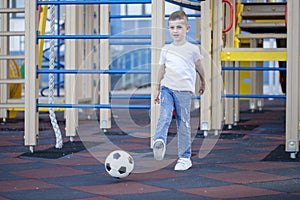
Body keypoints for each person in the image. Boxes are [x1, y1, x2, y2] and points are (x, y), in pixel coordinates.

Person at [153, 10, 206, 171]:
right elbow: (161, 69)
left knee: (183, 123)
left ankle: (184, 157)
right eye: (172, 27)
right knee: (164, 115)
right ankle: (159, 140)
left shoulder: (192, 49)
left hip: (184, 91)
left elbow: (199, 67)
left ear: (187, 28)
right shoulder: (166, 49)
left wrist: (203, 82)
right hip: (167, 88)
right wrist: (157, 88)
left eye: (179, 27)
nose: (175, 31)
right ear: (168, 29)